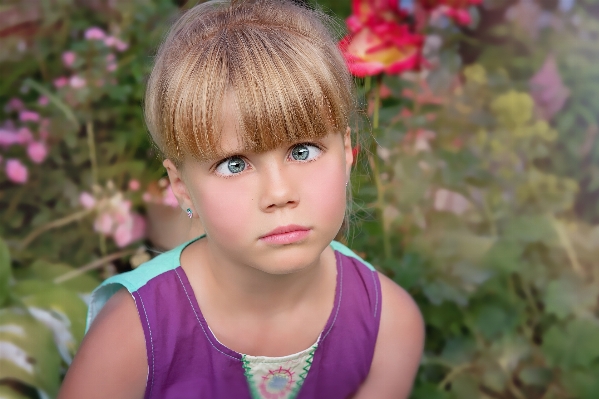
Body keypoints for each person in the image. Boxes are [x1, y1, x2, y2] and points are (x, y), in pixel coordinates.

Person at [58, 1, 424, 398]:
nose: (279, 194)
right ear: (181, 186)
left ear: (347, 153)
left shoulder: (389, 323)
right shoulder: (132, 333)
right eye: (234, 164)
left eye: (302, 151)